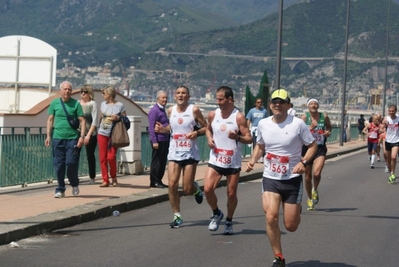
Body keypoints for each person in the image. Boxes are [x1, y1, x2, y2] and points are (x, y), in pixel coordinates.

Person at [244, 89, 317, 267]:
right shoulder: (263, 124)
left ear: (287, 104)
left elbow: (312, 145)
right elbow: (260, 145)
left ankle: (296, 208)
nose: (277, 104)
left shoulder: (298, 124)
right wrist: (253, 160)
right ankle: (279, 256)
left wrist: (305, 161)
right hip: (271, 177)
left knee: (291, 225)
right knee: (271, 217)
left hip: (292, 178)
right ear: (270, 105)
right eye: (274, 102)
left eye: (281, 102)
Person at [156, 85, 207, 228]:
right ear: (174, 95)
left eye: (183, 93)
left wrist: (196, 133)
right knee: (172, 184)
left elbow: (206, 127)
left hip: (190, 152)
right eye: (178, 93)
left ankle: (196, 189)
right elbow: (171, 129)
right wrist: (162, 130)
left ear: (188, 97)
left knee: (187, 189)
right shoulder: (170, 110)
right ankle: (177, 216)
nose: (180, 95)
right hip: (174, 152)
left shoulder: (194, 110)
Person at [204, 86, 252, 235]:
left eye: (220, 99)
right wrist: (209, 138)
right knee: (207, 189)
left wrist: (237, 137)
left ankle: (229, 220)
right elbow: (207, 129)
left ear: (230, 100)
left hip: (232, 161)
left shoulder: (238, 117)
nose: (218, 102)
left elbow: (249, 137)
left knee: (231, 194)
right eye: (217, 99)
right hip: (216, 158)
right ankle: (217, 213)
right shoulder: (212, 114)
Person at [45, 81, 86, 198]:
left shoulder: (76, 104)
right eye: (65, 89)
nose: (67, 91)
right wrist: (48, 135)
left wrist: (82, 137)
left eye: (69, 89)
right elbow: (50, 120)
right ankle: (60, 189)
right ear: (60, 91)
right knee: (59, 164)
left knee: (71, 163)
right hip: (57, 138)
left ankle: (74, 183)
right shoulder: (54, 103)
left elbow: (82, 121)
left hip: (72, 138)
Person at [301, 98, 332, 211]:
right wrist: (310, 128)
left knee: (317, 173)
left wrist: (328, 132)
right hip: (307, 149)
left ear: (318, 106)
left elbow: (329, 126)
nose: (313, 106)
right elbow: (298, 132)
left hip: (320, 148)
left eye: (315, 104)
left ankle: (315, 189)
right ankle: (309, 199)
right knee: (308, 177)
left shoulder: (324, 117)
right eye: (311, 104)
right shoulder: (304, 118)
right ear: (308, 106)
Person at [97, 85, 127, 187]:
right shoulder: (102, 104)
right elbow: (101, 117)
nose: (102, 95)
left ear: (109, 94)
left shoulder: (120, 105)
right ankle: (105, 180)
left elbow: (125, 120)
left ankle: (114, 177)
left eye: (104, 93)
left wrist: (118, 118)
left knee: (111, 157)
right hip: (102, 133)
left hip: (114, 134)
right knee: (102, 158)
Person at [148, 90, 170, 188]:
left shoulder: (162, 109)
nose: (165, 100)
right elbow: (151, 127)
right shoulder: (155, 110)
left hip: (165, 139)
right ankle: (154, 181)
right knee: (157, 161)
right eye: (163, 98)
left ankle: (159, 180)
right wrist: (154, 141)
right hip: (159, 139)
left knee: (162, 161)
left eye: (166, 98)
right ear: (158, 99)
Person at [79, 84, 98, 184]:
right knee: (74, 154)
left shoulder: (92, 104)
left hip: (90, 132)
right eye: (82, 91)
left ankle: (92, 177)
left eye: (85, 92)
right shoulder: (78, 103)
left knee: (90, 155)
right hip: (78, 132)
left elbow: (94, 121)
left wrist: (88, 135)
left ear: (89, 93)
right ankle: (73, 176)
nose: (83, 94)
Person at [246, 97, 267, 162]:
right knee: (255, 143)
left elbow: (267, 120)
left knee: (262, 143)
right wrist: (248, 129)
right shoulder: (251, 111)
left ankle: (262, 156)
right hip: (255, 129)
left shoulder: (264, 111)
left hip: (262, 129)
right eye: (258, 102)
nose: (259, 104)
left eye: (260, 102)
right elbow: (249, 120)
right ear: (255, 103)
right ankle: (255, 157)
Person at [382, 105, 399, 184]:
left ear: (395, 111)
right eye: (390, 111)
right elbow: (381, 127)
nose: (391, 112)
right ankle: (390, 172)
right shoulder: (387, 119)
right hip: (388, 141)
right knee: (388, 160)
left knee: (394, 156)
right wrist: (384, 125)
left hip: (396, 141)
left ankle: (393, 173)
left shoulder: (398, 118)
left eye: (392, 111)